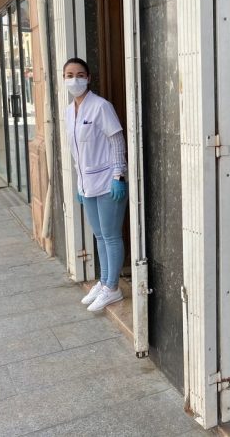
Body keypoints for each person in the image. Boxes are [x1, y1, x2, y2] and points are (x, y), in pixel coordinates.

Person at [63, 57, 129, 312]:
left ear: (88, 78)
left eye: (80, 74)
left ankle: (113, 289)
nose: (75, 79)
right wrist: (79, 184)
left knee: (111, 236)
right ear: (64, 78)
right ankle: (104, 282)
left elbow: (117, 142)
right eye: (69, 74)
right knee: (99, 235)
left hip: (108, 181)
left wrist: (119, 176)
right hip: (86, 183)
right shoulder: (70, 111)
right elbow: (75, 149)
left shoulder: (101, 106)